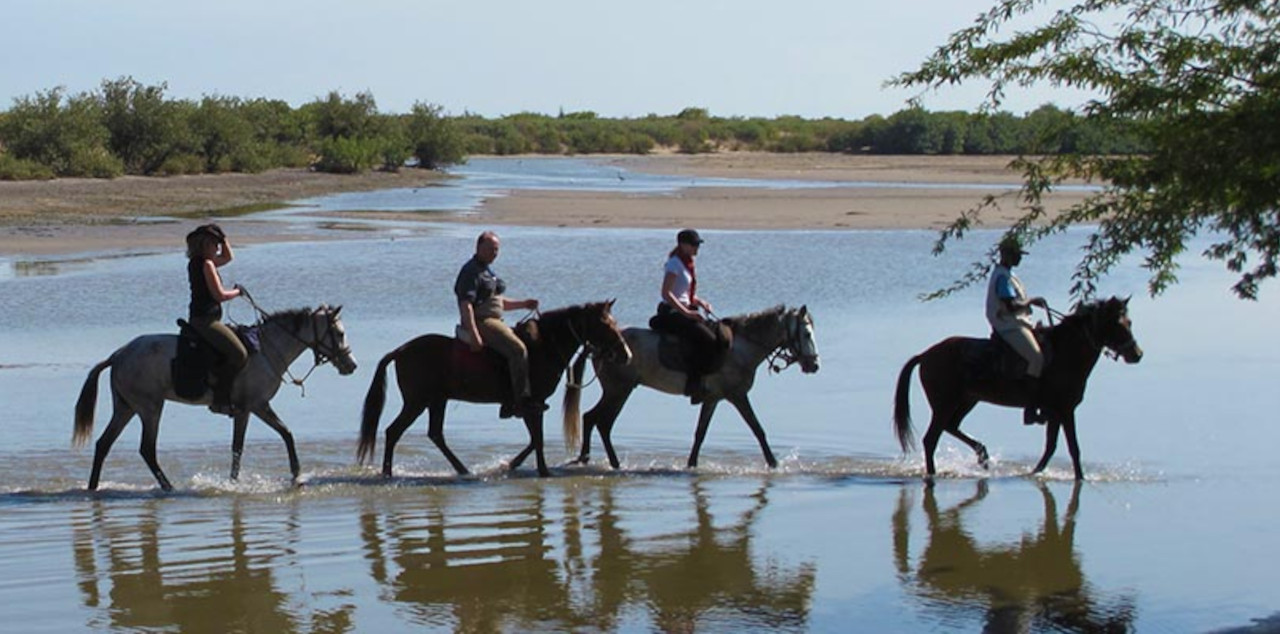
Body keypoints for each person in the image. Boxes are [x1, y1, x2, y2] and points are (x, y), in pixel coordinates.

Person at [454, 231, 542, 418]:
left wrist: (524, 304)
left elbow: (498, 303)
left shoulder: (487, 270)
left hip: (494, 319)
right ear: (478, 248)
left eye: (496, 250)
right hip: (483, 321)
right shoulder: (471, 271)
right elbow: (466, 305)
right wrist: (474, 333)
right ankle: (520, 401)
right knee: (518, 350)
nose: (494, 253)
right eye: (490, 249)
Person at [650, 228, 719, 404]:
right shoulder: (675, 264)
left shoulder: (687, 263)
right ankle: (694, 385)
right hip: (671, 313)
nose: (697, 248)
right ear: (683, 245)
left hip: (682, 308)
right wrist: (687, 312)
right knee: (708, 340)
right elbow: (666, 293)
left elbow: (682, 293)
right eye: (694, 245)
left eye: (698, 244)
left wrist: (700, 302)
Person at [986, 236, 1049, 425]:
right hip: (1008, 326)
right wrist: (1032, 301)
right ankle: (1030, 409)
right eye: (1016, 255)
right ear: (1007, 255)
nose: (1019, 258)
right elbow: (1011, 305)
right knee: (1037, 358)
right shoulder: (1002, 277)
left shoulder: (1007, 275)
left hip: (1017, 323)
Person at [185, 223, 246, 416]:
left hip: (203, 318)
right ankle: (220, 401)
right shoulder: (207, 264)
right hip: (206, 321)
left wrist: (223, 237)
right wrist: (238, 292)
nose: (218, 248)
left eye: (218, 244)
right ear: (205, 245)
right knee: (240, 354)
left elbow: (228, 257)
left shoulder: (198, 261)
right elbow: (219, 295)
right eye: (214, 244)